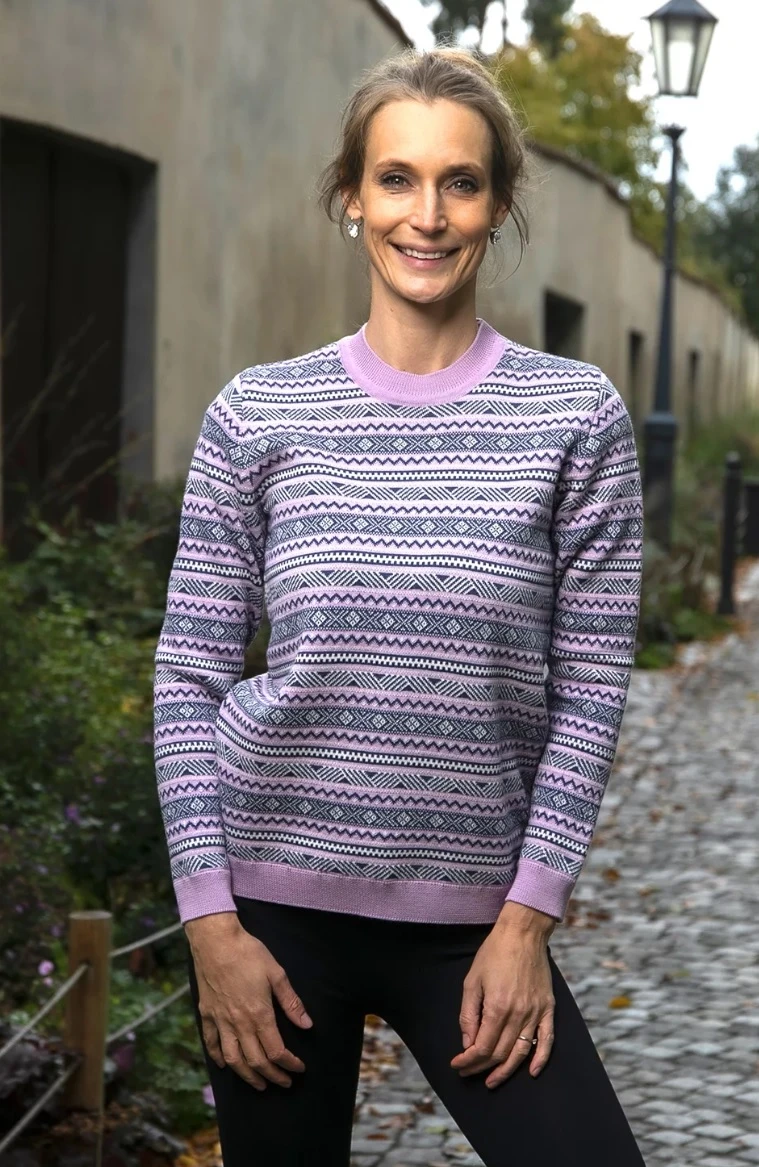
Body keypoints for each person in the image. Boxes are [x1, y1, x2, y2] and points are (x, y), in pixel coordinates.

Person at [153, 46, 645, 1167]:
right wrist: (211, 925)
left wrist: (528, 919)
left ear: (498, 204)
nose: (427, 216)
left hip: (475, 926)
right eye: (396, 179)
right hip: (270, 920)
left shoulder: (574, 416)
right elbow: (186, 679)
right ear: (350, 195)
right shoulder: (258, 415)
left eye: (459, 182)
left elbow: (590, 692)